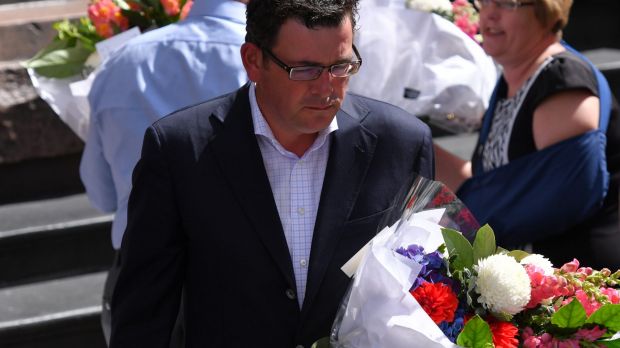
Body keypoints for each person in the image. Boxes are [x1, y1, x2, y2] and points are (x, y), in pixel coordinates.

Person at [109, 0, 435, 346]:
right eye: (305, 70)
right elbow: (143, 316)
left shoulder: (400, 144)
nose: (326, 89)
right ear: (253, 61)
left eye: (341, 67)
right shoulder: (179, 151)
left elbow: (428, 293)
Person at [79, 0, 248, 344]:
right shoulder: (275, 63)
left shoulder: (121, 62)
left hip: (139, 276)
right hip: (241, 281)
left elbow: (101, 193)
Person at [435, 0, 620, 270]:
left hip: (581, 283)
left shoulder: (561, 80)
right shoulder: (511, 81)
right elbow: (497, 185)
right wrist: (411, 146)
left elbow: (555, 199)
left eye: (506, 3)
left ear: (547, 11)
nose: (489, 14)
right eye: (484, 2)